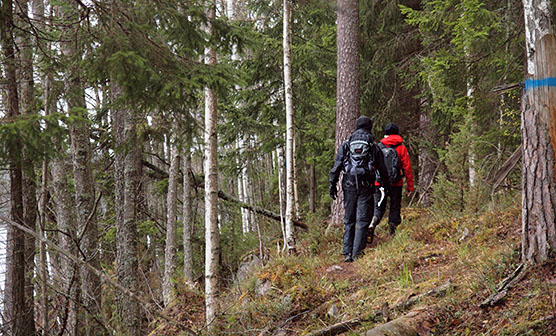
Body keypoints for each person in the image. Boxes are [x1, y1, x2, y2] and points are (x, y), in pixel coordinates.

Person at [329, 116, 391, 262]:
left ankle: (347, 252)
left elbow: (337, 166)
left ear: (356, 126)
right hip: (366, 185)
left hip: (349, 184)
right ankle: (357, 253)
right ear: (369, 127)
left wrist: (332, 185)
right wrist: (386, 187)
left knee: (349, 219)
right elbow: (382, 169)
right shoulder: (373, 145)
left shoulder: (347, 143)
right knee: (362, 220)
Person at [369, 122, 414, 242]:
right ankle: (392, 233)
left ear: (385, 134)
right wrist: (410, 186)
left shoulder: (379, 146)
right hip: (396, 183)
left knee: (379, 206)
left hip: (380, 184)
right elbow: (407, 168)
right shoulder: (401, 148)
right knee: (394, 207)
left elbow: (372, 166)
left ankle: (374, 221)